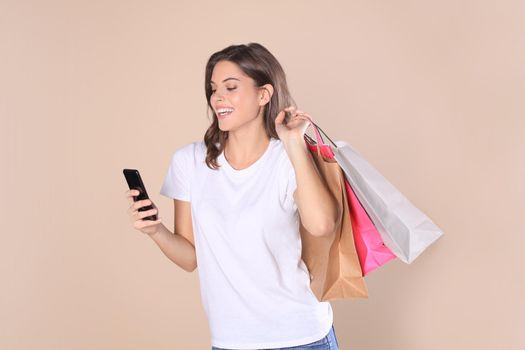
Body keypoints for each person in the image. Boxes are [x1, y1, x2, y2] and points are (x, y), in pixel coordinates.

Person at [125, 43, 341, 350]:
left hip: (302, 336)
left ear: (263, 95)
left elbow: (322, 226)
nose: (218, 98)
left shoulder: (288, 158)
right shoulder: (190, 162)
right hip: (232, 341)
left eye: (231, 87)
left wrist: (293, 142)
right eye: (213, 89)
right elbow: (190, 258)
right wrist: (155, 231)